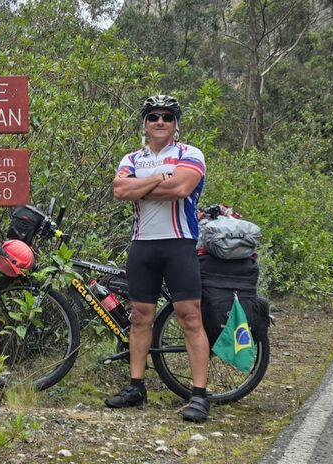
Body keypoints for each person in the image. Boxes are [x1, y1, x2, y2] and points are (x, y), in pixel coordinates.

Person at [109, 95, 210, 423]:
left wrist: (141, 187)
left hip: (179, 243)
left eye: (167, 116)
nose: (160, 122)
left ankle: (199, 395)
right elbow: (120, 192)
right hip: (142, 246)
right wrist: (157, 179)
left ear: (176, 123)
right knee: (140, 317)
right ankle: (137, 386)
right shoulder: (131, 157)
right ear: (145, 122)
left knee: (190, 317)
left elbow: (181, 189)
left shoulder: (189, 154)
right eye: (153, 116)